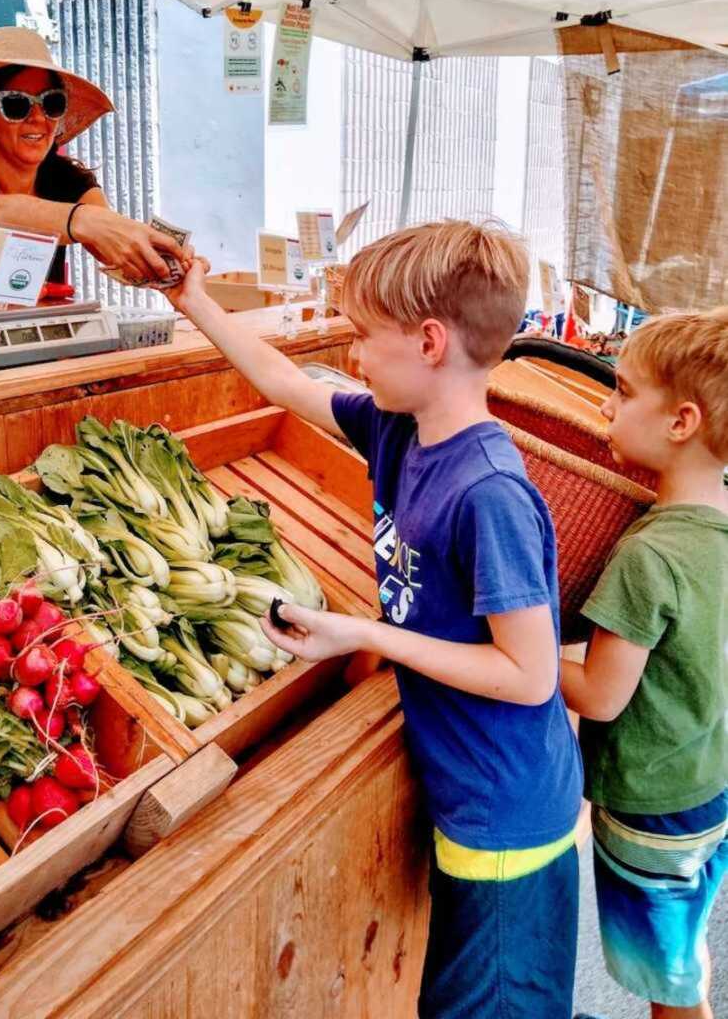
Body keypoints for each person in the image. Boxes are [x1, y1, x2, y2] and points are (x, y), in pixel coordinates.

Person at [169, 221, 583, 1018]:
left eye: (362, 335)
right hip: (470, 792)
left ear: (429, 341)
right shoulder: (399, 426)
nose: (351, 355)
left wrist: (364, 634)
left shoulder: (489, 490)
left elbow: (530, 677)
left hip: (507, 818)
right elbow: (286, 384)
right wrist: (195, 303)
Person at [561, 309, 728, 1019]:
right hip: (708, 785)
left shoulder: (647, 555)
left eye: (624, 392)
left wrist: (506, 651)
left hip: (650, 809)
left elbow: (599, 697)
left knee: (665, 979)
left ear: (681, 421)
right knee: (685, 947)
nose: (606, 403)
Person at [0, 26, 189, 293]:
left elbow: (114, 246)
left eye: (51, 103)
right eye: (15, 104)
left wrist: (167, 259)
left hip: (41, 334)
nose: (38, 118)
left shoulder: (66, 178)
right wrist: (81, 220)